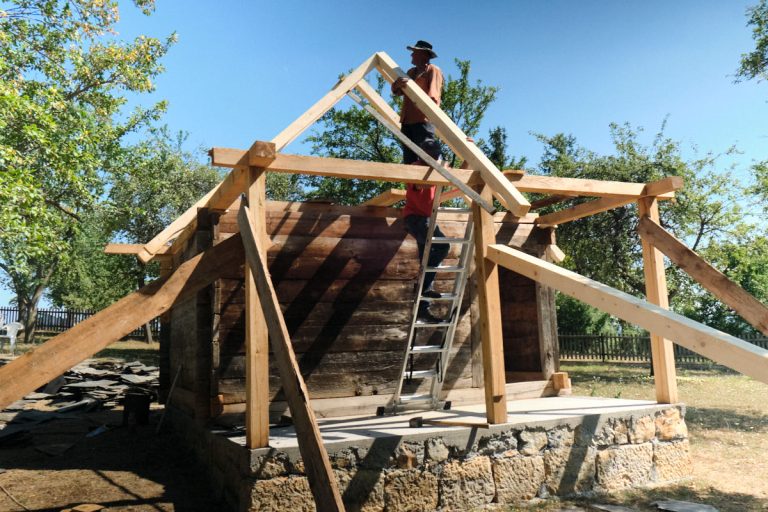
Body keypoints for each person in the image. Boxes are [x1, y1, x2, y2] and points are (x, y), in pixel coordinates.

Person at [392, 40, 449, 323]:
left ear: (425, 55)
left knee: (430, 148)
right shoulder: (412, 74)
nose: (412, 55)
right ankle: (424, 293)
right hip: (408, 122)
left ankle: (423, 292)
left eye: (415, 52)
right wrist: (402, 82)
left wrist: (431, 107)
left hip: (424, 117)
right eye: (411, 52)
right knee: (412, 160)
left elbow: (434, 96)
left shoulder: (431, 70)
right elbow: (395, 90)